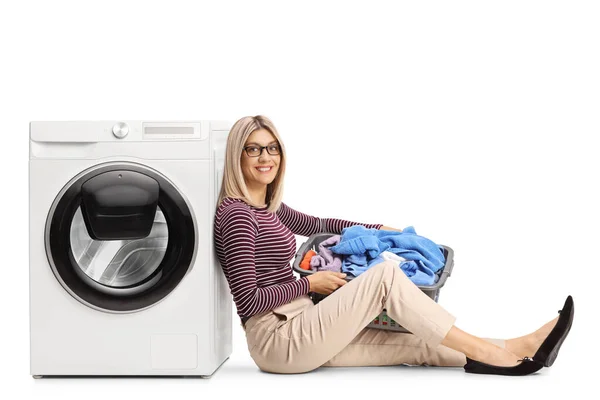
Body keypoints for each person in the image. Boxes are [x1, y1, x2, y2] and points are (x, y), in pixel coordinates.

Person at [213, 115, 574, 376]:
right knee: (384, 276)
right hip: (279, 339)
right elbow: (248, 301)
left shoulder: (266, 208)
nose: (266, 157)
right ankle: (489, 353)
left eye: (272, 147)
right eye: (253, 149)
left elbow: (320, 225)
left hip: (304, 323)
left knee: (417, 341)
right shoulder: (238, 215)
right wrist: (311, 283)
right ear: (237, 156)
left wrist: (379, 229)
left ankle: (516, 348)